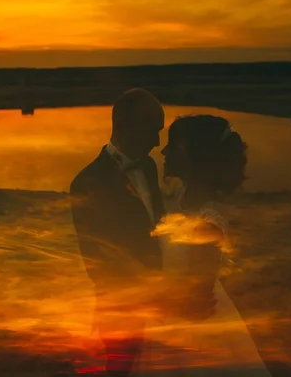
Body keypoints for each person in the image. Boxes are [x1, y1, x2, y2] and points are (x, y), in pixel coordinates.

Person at [133, 114, 272, 376]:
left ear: (188, 154)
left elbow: (196, 299)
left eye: (172, 145)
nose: (163, 151)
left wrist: (145, 301)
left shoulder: (208, 221)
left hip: (189, 330)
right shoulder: (183, 200)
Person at [69, 88, 167, 377]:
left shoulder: (148, 167)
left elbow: (155, 225)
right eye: (153, 131)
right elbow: (96, 259)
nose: (158, 142)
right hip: (121, 305)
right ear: (129, 126)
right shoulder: (87, 183)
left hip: (161, 301)